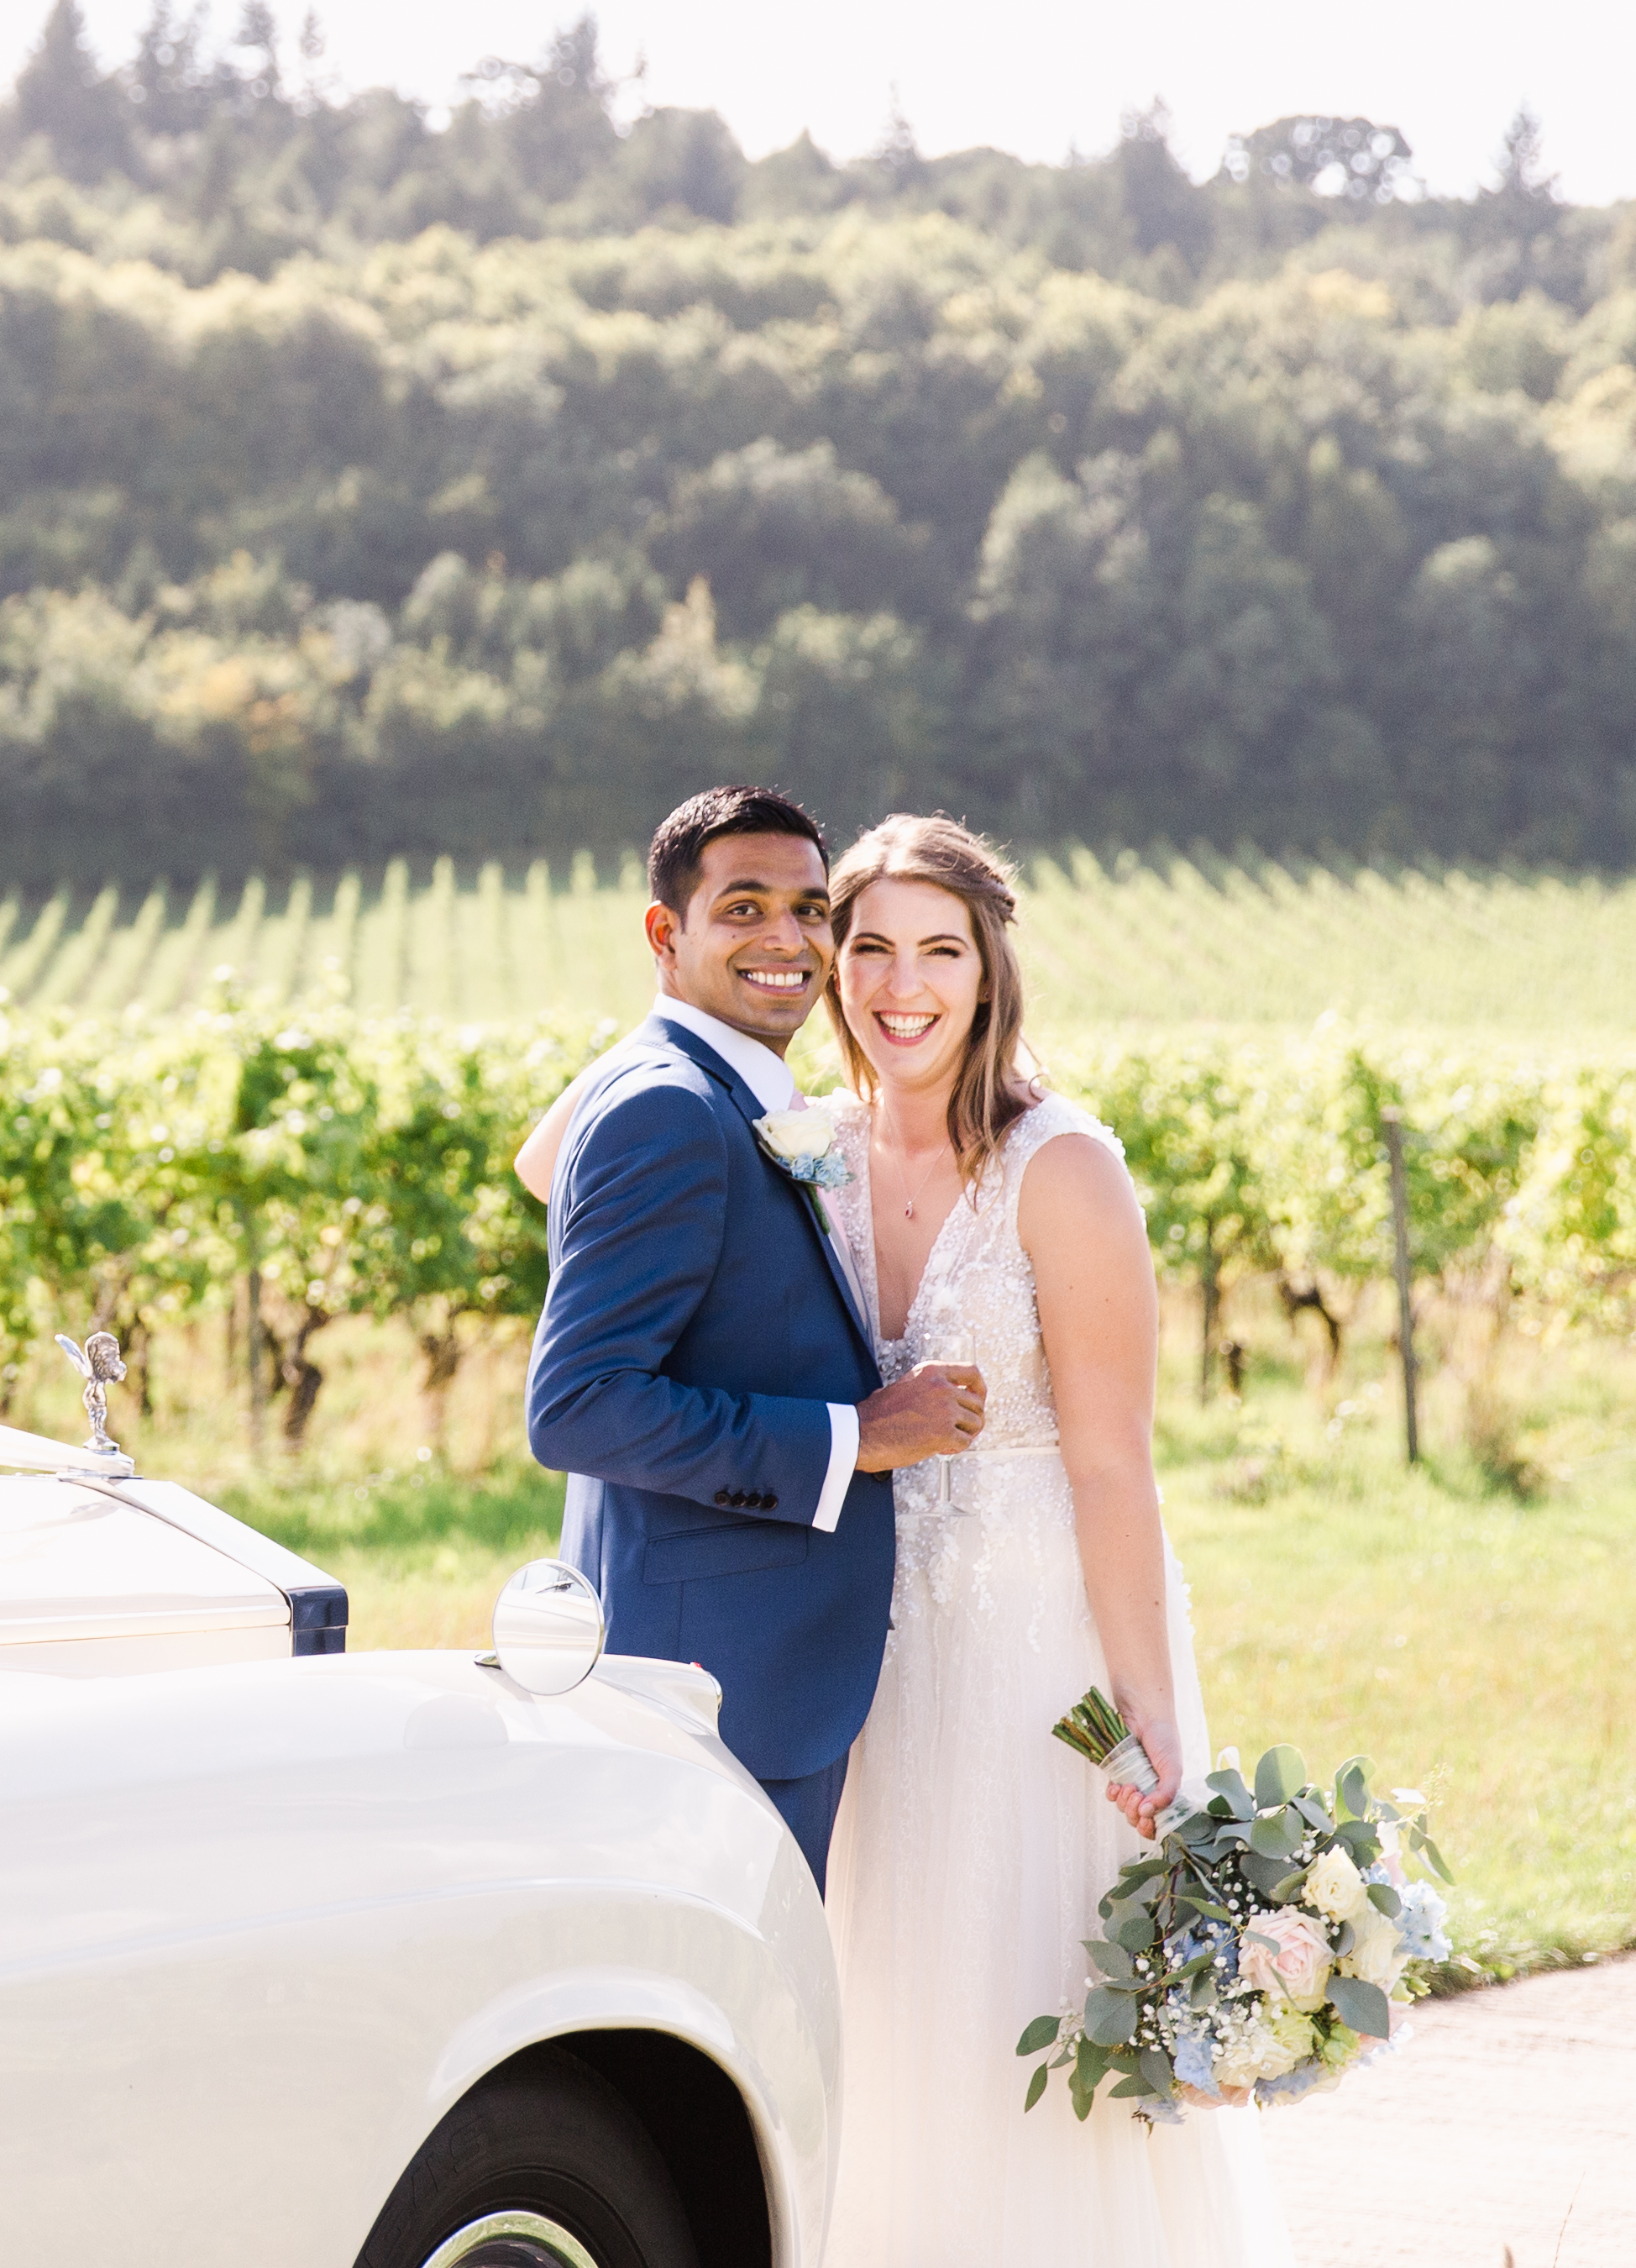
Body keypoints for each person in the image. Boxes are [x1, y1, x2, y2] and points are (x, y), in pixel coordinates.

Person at [521, 808, 1295, 2264]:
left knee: (1016, 2014)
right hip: (848, 1664)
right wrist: (675, 1024)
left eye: (939, 951)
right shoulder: (792, 1133)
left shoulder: (1061, 1165)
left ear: (993, 971)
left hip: (1030, 1660)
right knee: (868, 2017)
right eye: (863, 945)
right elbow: (552, 1155)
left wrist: (1150, 1714)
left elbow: (1117, 1469)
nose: (898, 985)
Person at [516, 785, 985, 1890]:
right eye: (744, 909)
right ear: (663, 934)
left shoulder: (707, 1090)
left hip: (741, 1666)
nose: (789, 940)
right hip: (712, 1683)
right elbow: (577, 1405)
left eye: (811, 910)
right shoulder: (671, 1108)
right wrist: (851, 1439)